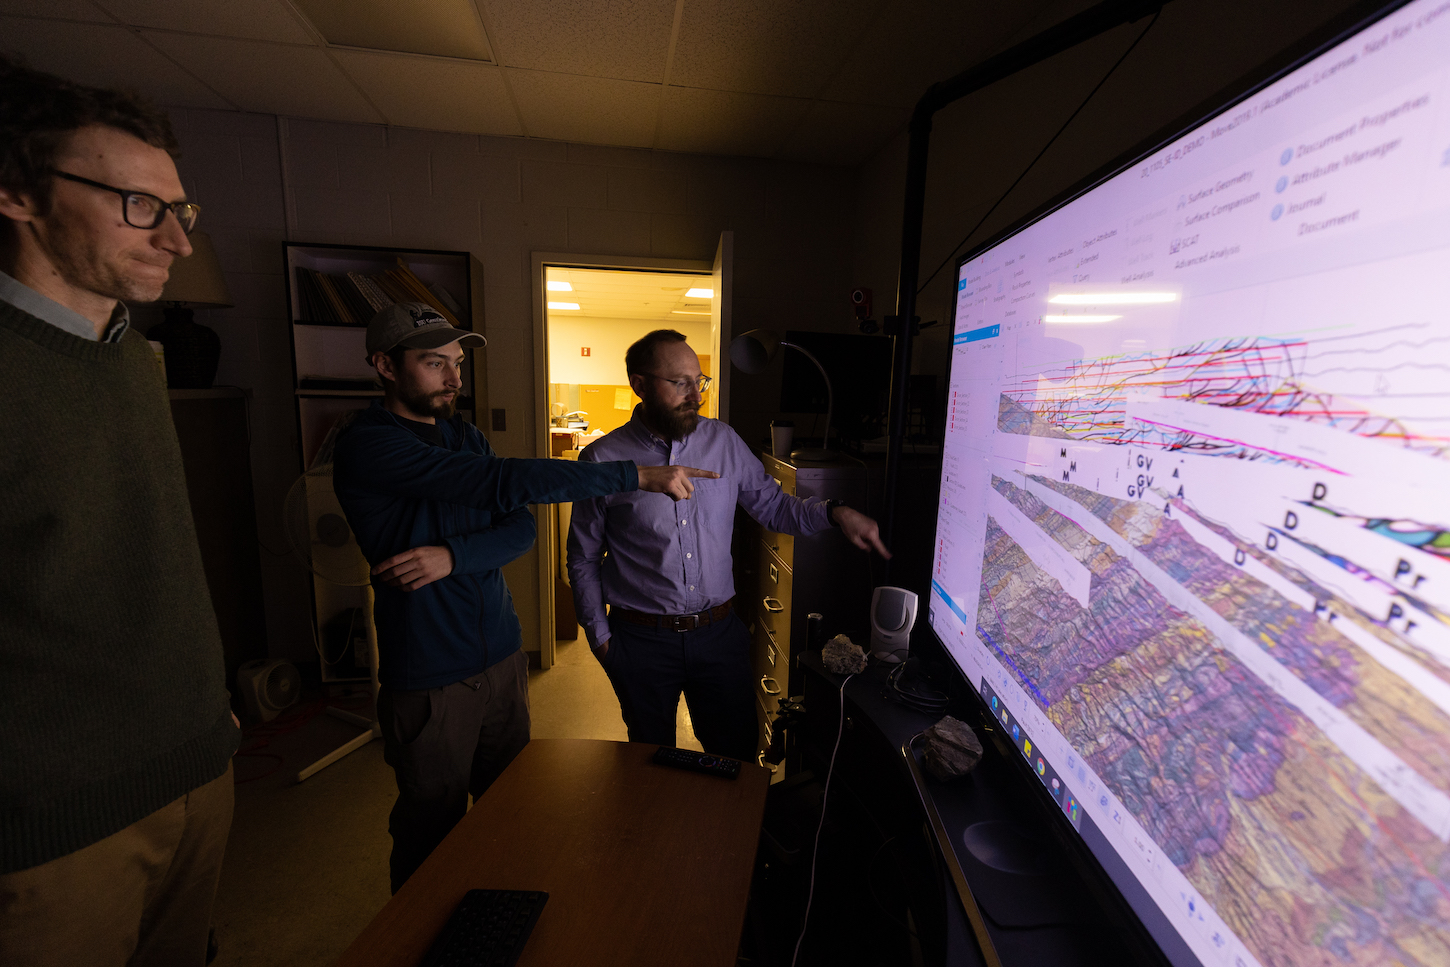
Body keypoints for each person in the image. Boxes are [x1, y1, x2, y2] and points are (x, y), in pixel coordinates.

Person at [332, 304, 716, 892]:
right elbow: (497, 484)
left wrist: (452, 557)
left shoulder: (465, 436)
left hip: (503, 657)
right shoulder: (368, 444)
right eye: (435, 363)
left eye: (457, 363)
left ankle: (496, 923)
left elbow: (520, 530)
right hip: (432, 670)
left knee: (507, 809)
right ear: (385, 366)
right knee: (430, 828)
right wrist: (632, 475)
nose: (454, 378)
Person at [0, 59, 239, 966]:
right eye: (139, 206)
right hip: (57, 826)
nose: (176, 241)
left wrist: (203, 706)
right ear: (20, 193)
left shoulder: (135, 360)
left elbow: (151, 557)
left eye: (182, 211)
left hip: (195, 765)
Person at [567, 330, 889, 761]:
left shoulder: (724, 442)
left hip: (718, 637)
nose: (693, 395)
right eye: (678, 382)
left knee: (735, 757)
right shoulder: (603, 460)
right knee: (648, 764)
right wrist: (600, 638)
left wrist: (834, 511)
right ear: (640, 385)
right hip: (640, 642)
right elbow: (583, 557)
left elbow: (774, 507)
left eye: (698, 381)